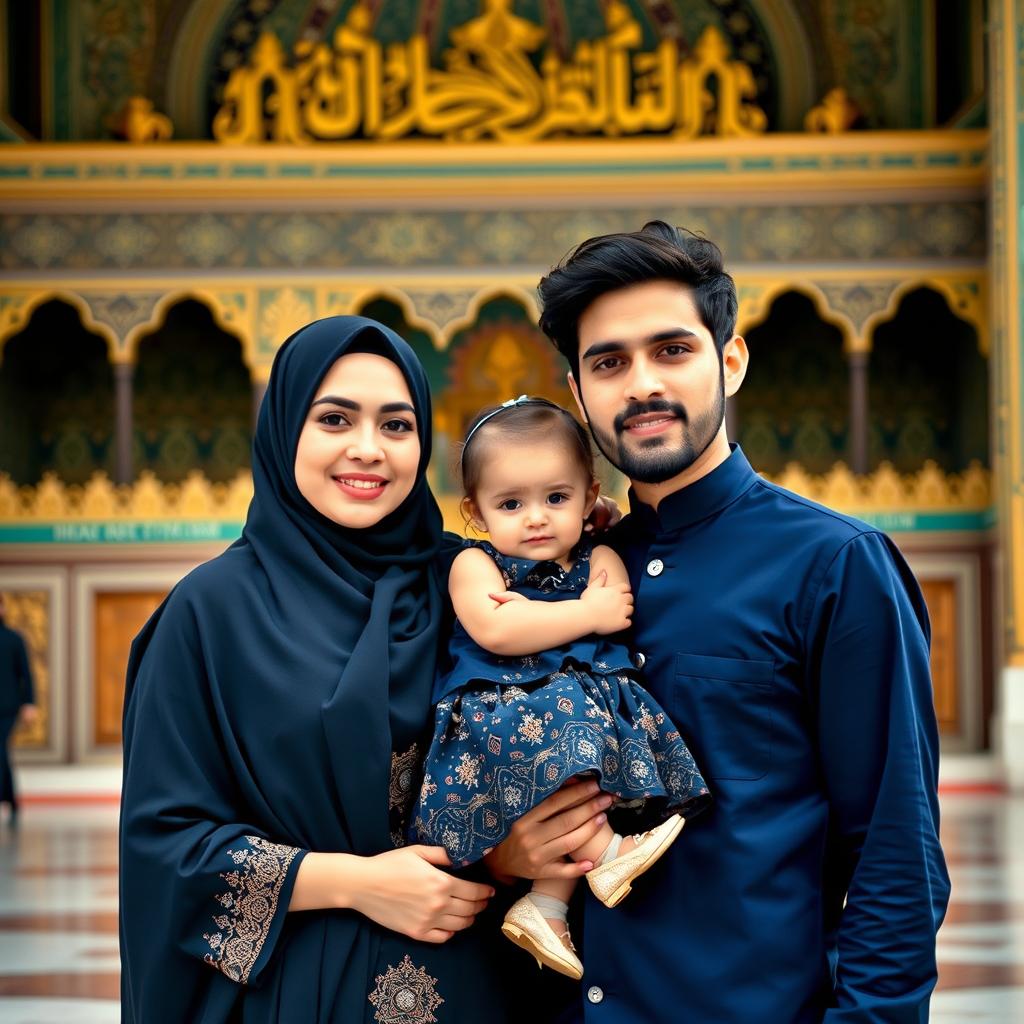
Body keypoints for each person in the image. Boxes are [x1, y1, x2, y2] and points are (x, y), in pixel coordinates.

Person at [485, 221, 950, 1022]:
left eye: (672, 350)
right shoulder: (560, 578)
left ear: (729, 362)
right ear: (577, 391)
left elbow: (894, 853)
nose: (639, 385)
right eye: (608, 362)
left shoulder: (834, 566)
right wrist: (504, 859)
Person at [120, 316, 516, 1023]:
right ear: (283, 431)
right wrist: (353, 882)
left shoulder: (470, 589)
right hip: (295, 993)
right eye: (334, 418)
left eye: (397, 426)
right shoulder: (210, 615)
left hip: (477, 985)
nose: (368, 450)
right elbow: (165, 849)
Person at [411, 396, 709, 981]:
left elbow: (615, 607)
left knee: (577, 770)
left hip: (581, 716)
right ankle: (605, 853)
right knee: (563, 741)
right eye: (511, 503)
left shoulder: (601, 552)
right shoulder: (473, 564)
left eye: (556, 497)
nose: (536, 517)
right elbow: (497, 629)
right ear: (475, 511)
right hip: (504, 713)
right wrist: (583, 614)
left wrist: (575, 610)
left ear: (588, 492)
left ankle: (547, 905)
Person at [0, 593, 38, 825]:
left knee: (0, 749)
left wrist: (29, 703)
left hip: (7, 706)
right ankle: (11, 800)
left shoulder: (14, 639)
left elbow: (26, 673)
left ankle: (9, 800)